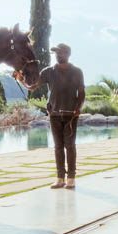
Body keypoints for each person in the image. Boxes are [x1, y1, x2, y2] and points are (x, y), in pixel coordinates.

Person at [40, 43, 85, 189]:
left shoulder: (77, 72)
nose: (58, 55)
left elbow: (81, 93)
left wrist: (78, 108)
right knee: (58, 147)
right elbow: (33, 84)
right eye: (56, 53)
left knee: (69, 146)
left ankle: (71, 178)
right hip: (54, 115)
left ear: (68, 54)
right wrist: (22, 79)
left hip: (71, 115)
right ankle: (60, 178)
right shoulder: (48, 71)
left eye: (61, 53)